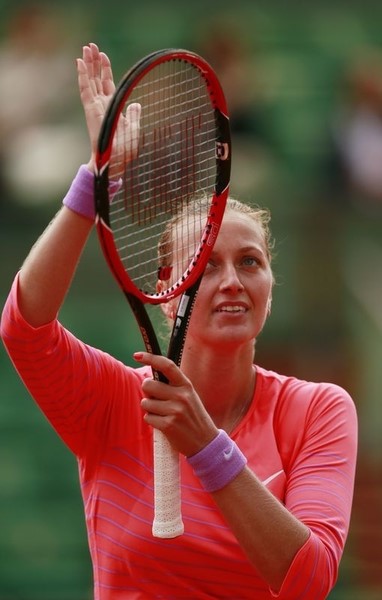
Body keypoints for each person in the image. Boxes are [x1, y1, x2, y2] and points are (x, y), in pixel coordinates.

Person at [0, 43, 358, 599]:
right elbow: (25, 327)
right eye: (206, 265)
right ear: (168, 290)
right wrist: (96, 183)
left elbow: (308, 580)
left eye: (250, 263)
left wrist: (206, 446)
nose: (232, 281)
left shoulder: (317, 411)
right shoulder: (113, 401)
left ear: (270, 287)